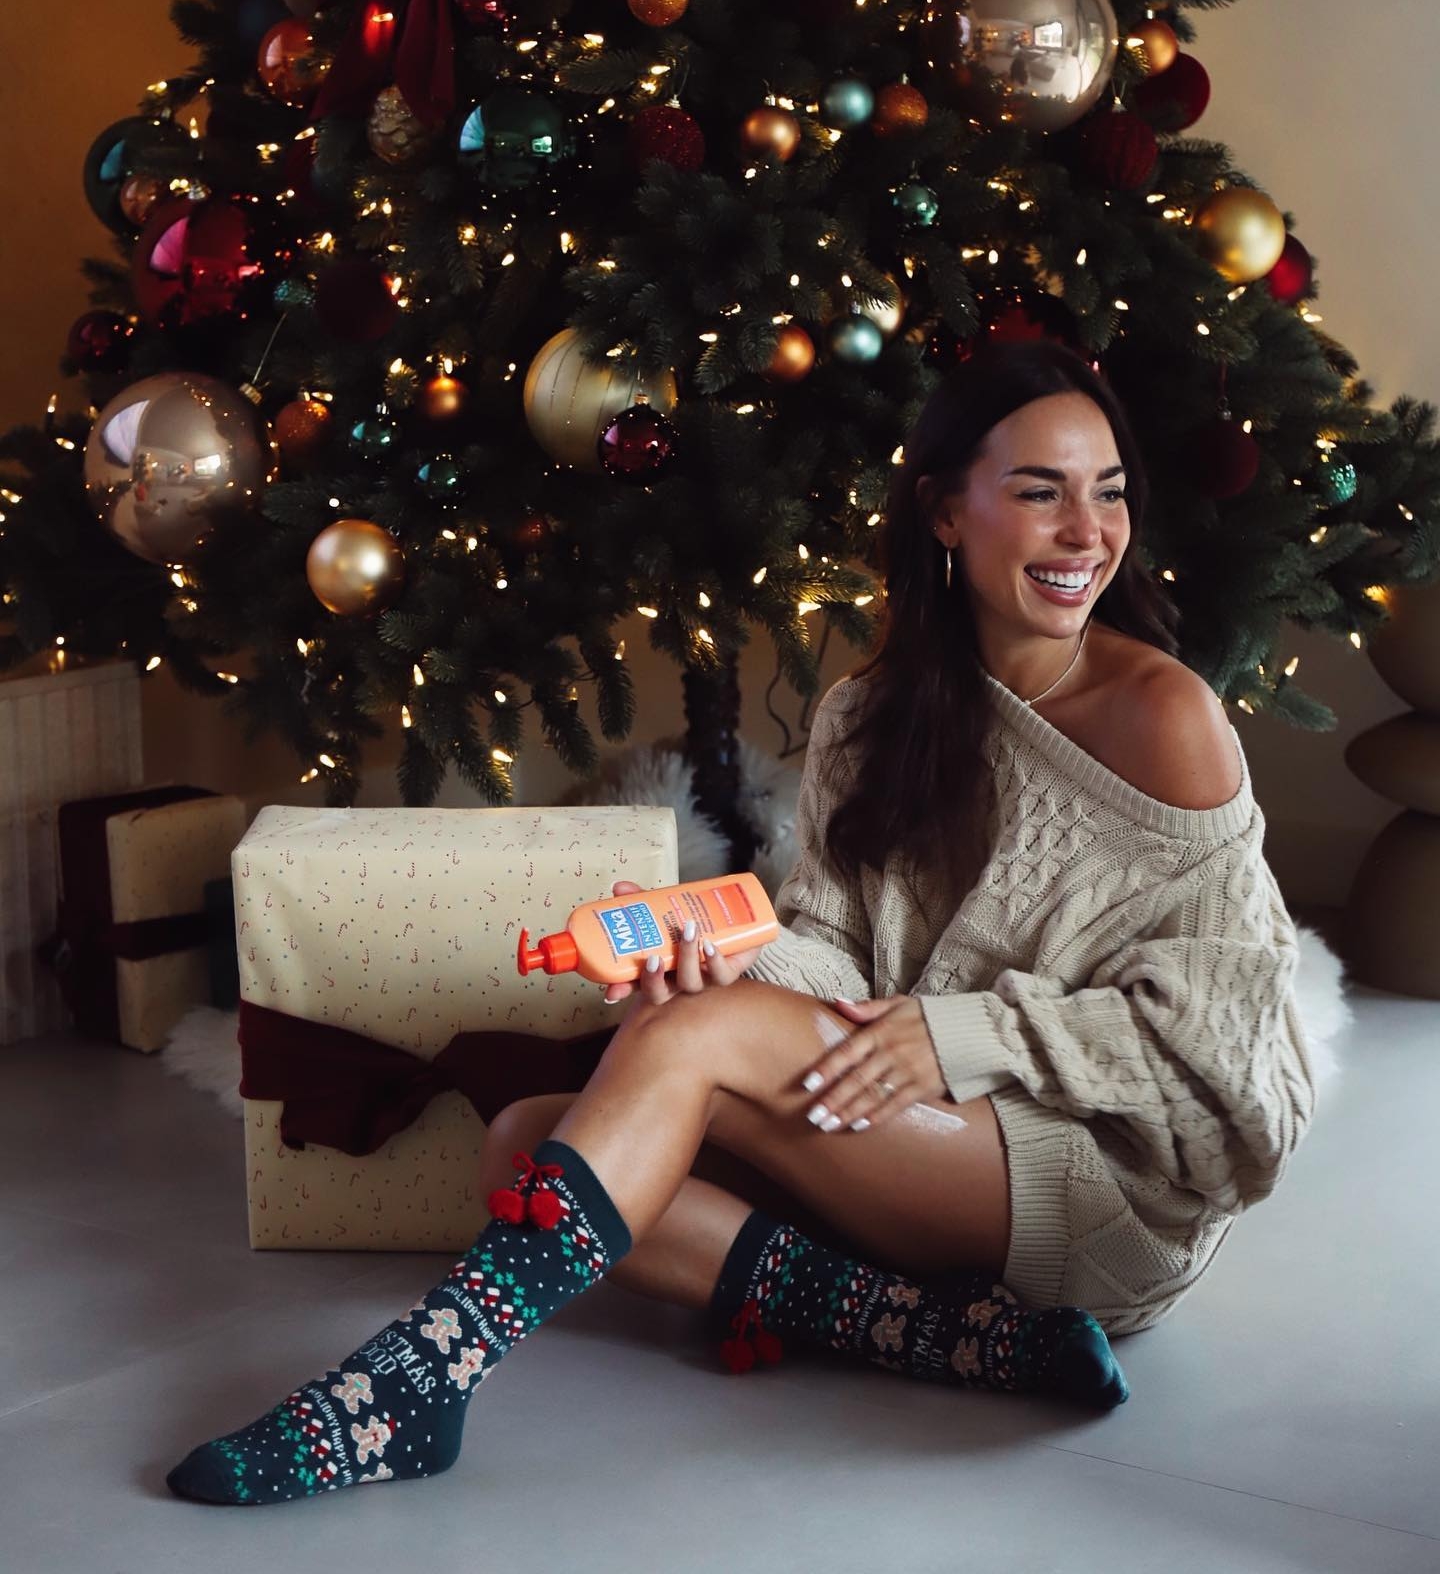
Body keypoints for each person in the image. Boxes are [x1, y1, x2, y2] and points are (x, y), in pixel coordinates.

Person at [166, 340, 1316, 1506]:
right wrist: (726, 958)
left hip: (1096, 1190)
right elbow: (836, 952)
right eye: (1040, 492)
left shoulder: (1164, 717)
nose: (1086, 533)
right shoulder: (868, 714)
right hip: (908, 1149)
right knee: (521, 1142)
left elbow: (1236, 1058)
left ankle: (415, 1385)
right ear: (944, 514)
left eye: (1108, 493)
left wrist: (964, 1036)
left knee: (685, 1051)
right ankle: (944, 1336)